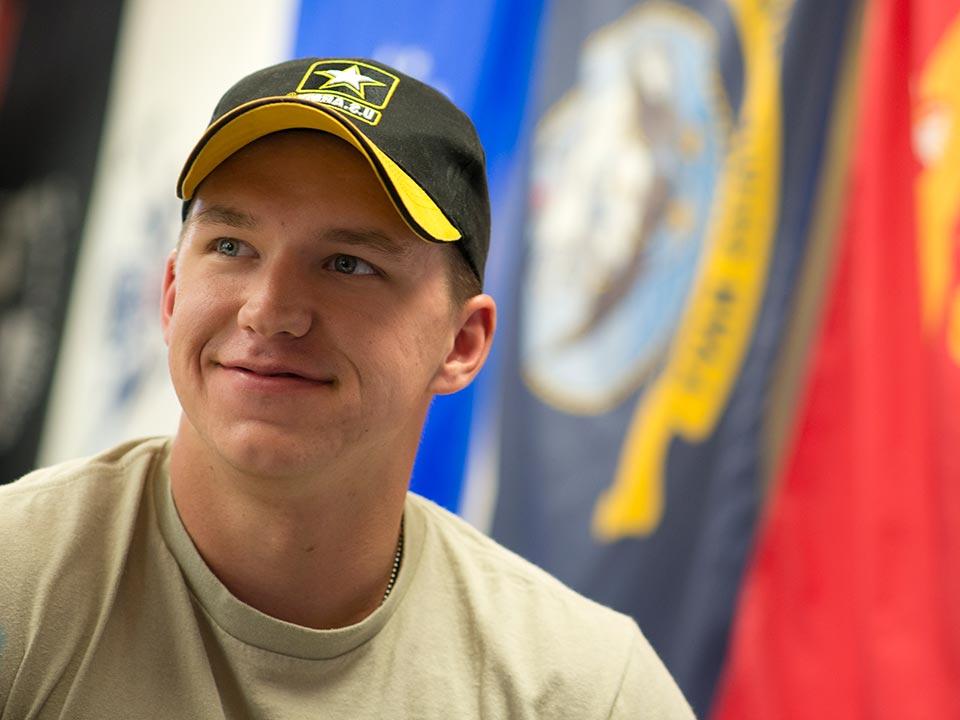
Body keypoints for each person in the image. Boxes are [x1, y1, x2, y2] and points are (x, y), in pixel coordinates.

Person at [0, 57, 695, 718]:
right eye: (232, 247)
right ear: (172, 293)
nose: (269, 310)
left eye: (347, 263)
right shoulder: (18, 579)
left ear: (462, 344)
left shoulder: (585, 691)